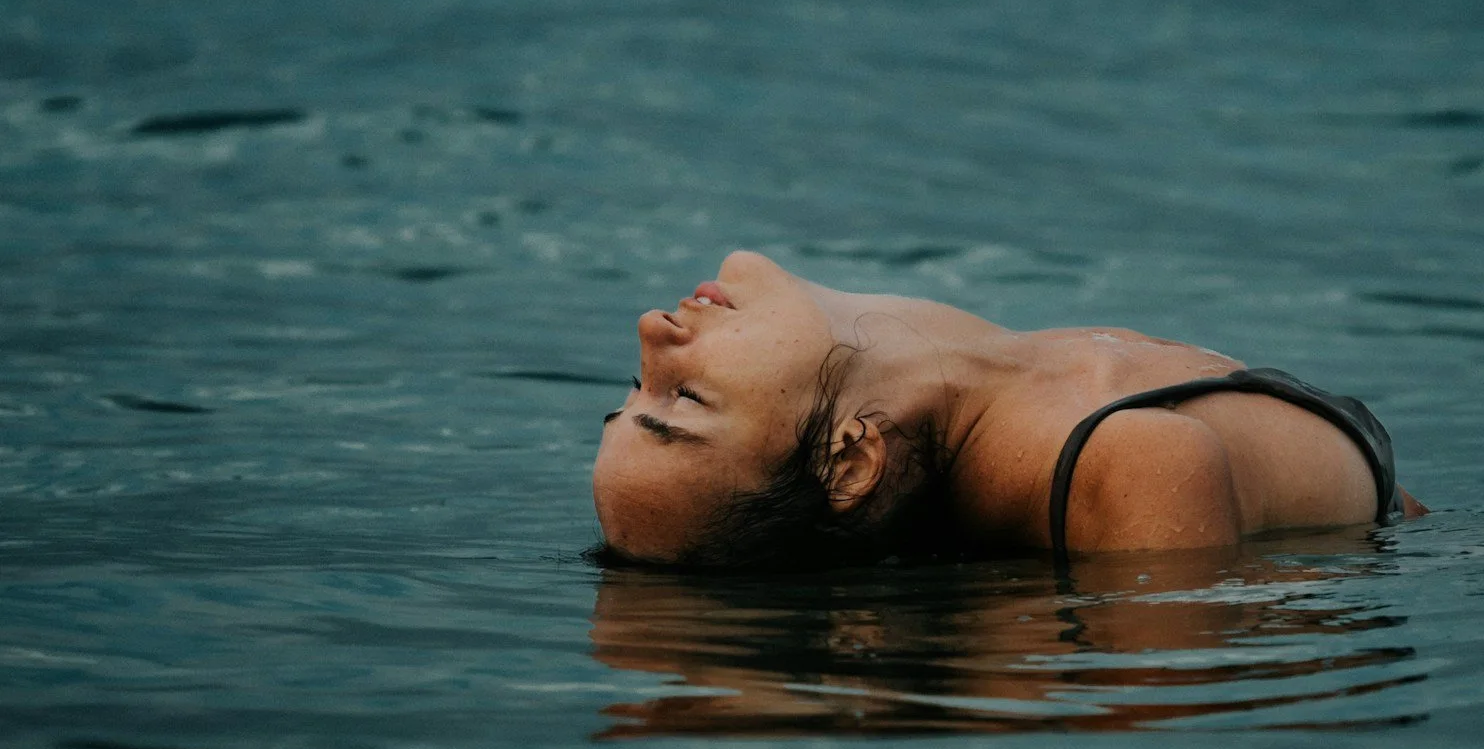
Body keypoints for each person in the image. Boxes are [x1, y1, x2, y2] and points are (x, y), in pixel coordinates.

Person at [592, 249, 1422, 570]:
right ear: (848, 460)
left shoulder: (1010, 385)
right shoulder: (1121, 464)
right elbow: (1171, 729)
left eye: (632, 393)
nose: (649, 335)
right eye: (682, 398)